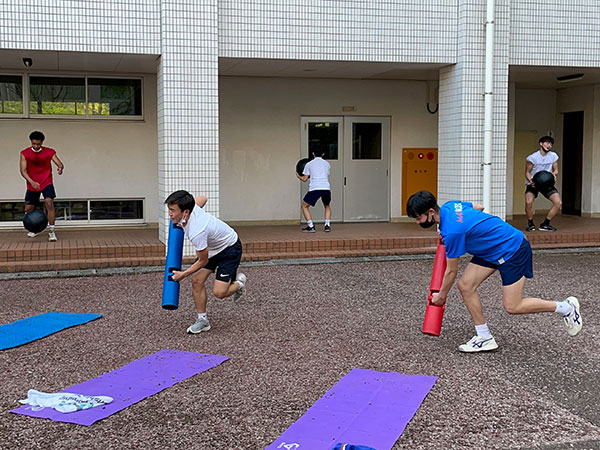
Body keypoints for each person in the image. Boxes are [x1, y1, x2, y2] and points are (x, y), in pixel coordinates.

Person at [406, 190, 582, 353]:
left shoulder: (452, 232)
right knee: (466, 286)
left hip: (512, 248)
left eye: (418, 218)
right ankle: (484, 337)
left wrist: (441, 296)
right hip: (490, 250)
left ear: (430, 212)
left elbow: (451, 271)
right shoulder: (450, 206)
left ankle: (566, 307)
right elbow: (479, 207)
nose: (417, 222)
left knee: (513, 306)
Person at [165, 190, 247, 334]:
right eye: (169, 209)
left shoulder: (197, 231)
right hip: (213, 249)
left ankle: (240, 283)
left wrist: (182, 275)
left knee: (220, 293)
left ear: (185, 212)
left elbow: (202, 260)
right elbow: (203, 198)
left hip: (229, 248)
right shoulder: (192, 208)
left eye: (172, 210)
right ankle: (202, 320)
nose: (169, 214)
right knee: (197, 280)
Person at [19, 131, 64, 241]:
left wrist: (60, 167)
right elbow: (23, 171)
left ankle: (52, 231)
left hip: (46, 181)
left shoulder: (49, 151)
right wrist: (32, 182)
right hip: (32, 183)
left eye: (38, 144)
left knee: (49, 202)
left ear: (42, 143)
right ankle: (34, 229)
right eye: (33, 144)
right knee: (29, 208)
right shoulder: (24, 153)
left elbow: (59, 163)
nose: (36, 146)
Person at [524, 135, 561, 232]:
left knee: (558, 202)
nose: (549, 145)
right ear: (541, 144)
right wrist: (530, 181)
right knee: (528, 202)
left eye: (551, 144)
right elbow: (527, 172)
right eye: (547, 143)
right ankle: (530, 223)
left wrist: (554, 175)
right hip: (534, 183)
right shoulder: (532, 158)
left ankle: (545, 224)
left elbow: (556, 169)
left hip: (547, 183)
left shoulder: (553, 156)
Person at [296, 149, 332, 232]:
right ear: (323, 154)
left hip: (315, 188)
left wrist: (298, 175)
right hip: (326, 188)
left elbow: (304, 179)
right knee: (327, 206)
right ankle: (327, 226)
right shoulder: (327, 164)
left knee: (304, 206)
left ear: (313, 154)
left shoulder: (309, 164)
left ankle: (311, 226)